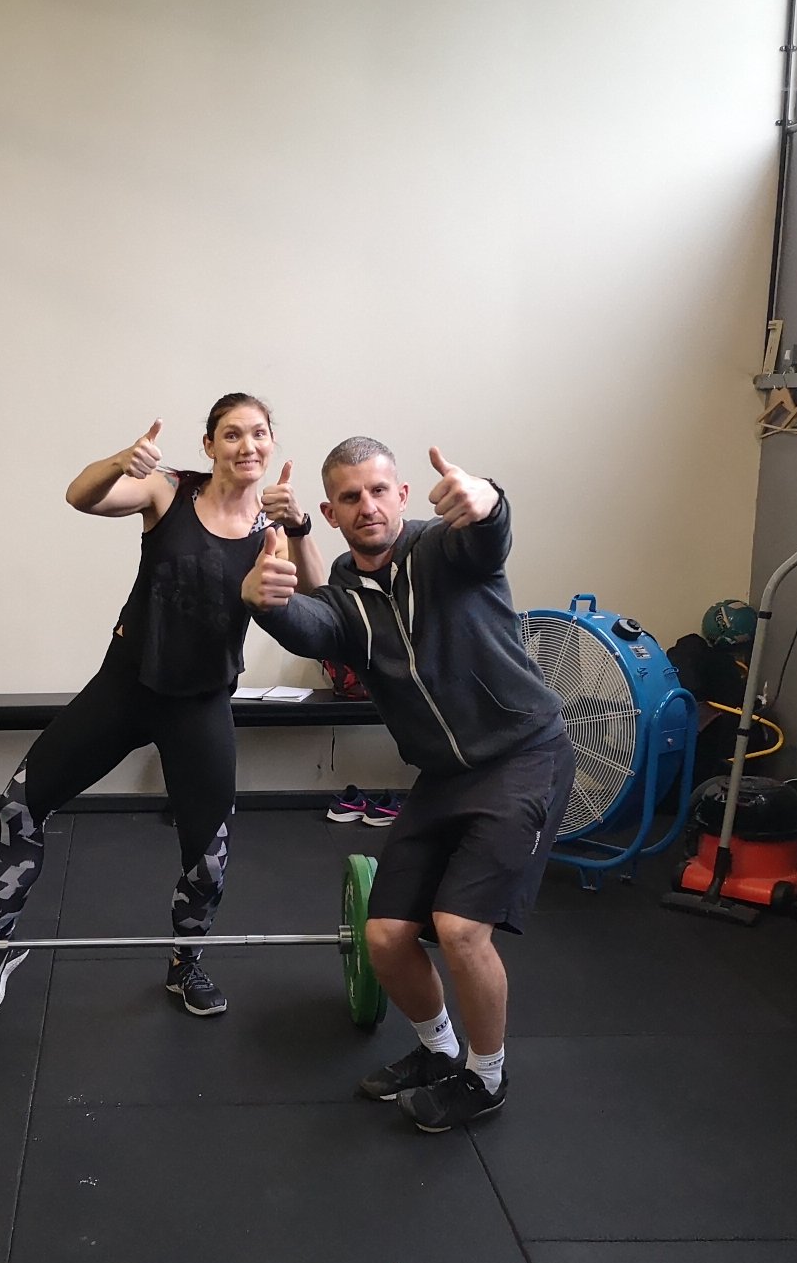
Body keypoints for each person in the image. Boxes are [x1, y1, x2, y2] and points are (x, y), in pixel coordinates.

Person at [240, 437, 572, 1131]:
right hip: (443, 776)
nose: (367, 506)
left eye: (378, 491)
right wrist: (264, 602)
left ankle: (487, 1077)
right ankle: (439, 1051)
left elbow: (488, 537)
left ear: (401, 495)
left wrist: (487, 500)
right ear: (331, 513)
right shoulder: (346, 593)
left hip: (521, 756)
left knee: (459, 929)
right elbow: (312, 627)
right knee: (387, 937)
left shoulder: (443, 548)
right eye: (350, 497)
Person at [0, 394, 327, 1022]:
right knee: (20, 805)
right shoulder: (169, 490)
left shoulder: (272, 529)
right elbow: (80, 496)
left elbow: (322, 603)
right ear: (209, 445)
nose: (247, 445)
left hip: (201, 704)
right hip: (126, 689)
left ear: (272, 443)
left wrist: (299, 529)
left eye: (259, 433)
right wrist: (120, 461)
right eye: (232, 434)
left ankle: (185, 964)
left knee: (209, 859)